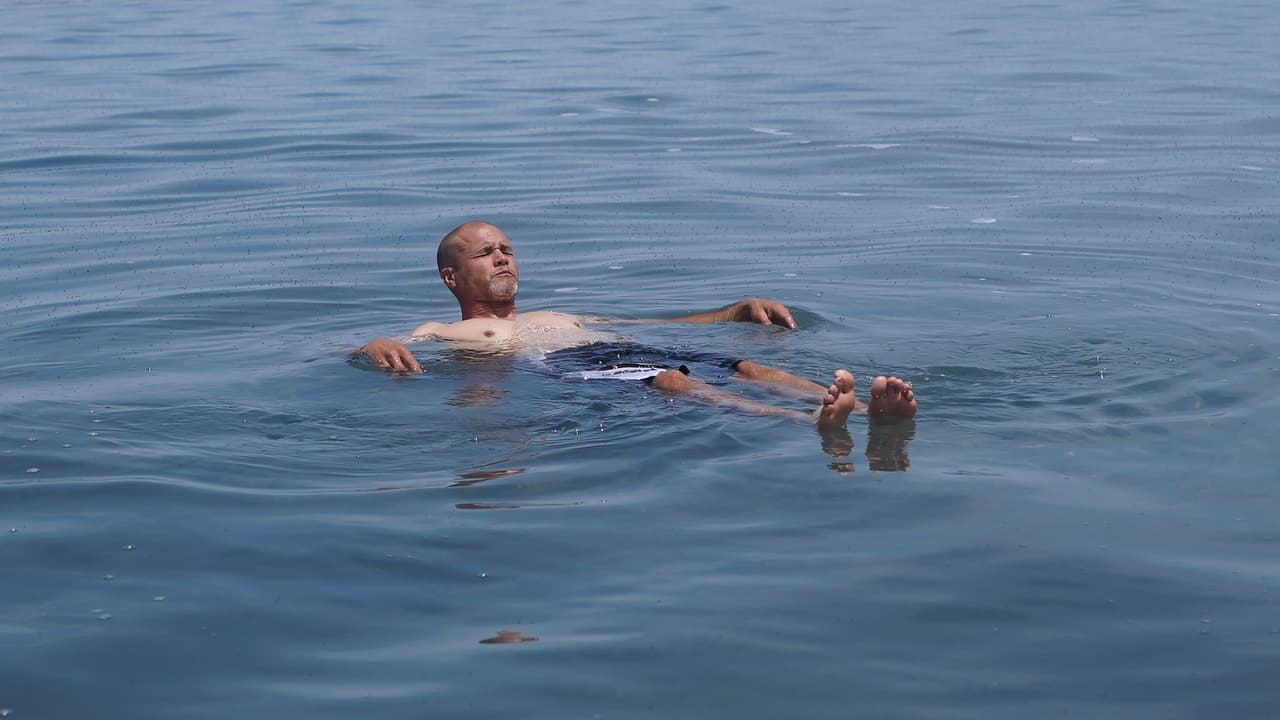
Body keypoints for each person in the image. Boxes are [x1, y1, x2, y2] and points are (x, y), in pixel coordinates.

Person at [356, 221, 917, 429]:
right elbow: (379, 350)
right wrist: (374, 345)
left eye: (507, 248)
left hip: (625, 345)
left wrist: (735, 310)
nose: (503, 257)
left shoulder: (563, 314)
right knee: (671, 383)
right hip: (566, 367)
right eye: (485, 253)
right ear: (453, 278)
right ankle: (809, 423)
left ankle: (866, 410)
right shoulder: (442, 329)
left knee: (749, 366)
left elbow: (662, 321)